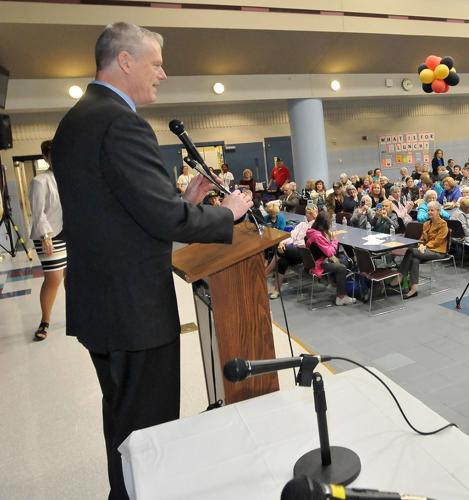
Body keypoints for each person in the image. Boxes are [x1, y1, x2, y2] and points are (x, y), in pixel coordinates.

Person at [51, 22, 252, 500]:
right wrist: (224, 213)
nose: (163, 73)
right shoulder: (121, 122)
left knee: (122, 424)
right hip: (134, 314)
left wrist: (183, 198)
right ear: (125, 61)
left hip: (102, 309)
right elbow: (160, 219)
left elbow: (117, 211)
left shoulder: (77, 120)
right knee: (148, 435)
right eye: (156, 62)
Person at [28, 140, 66, 342]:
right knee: (54, 279)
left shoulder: (70, 178)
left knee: (74, 278)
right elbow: (37, 212)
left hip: (72, 233)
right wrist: (45, 235)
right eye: (53, 155)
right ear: (46, 157)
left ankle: (78, 315)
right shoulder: (40, 181)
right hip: (50, 235)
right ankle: (45, 321)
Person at [390, 201, 449, 299]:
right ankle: (414, 289)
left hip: (438, 251)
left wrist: (425, 246)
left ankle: (400, 276)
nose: (429, 212)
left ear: (438, 211)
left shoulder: (443, 224)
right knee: (414, 259)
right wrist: (421, 245)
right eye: (428, 210)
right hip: (424, 250)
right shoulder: (426, 224)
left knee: (410, 251)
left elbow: (438, 241)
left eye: (432, 210)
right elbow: (421, 239)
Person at [266, 203, 317, 299]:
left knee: (284, 251)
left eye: (310, 212)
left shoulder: (315, 226)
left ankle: (267, 271)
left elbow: (308, 243)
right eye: (307, 212)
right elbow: (292, 236)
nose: (308, 214)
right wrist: (282, 242)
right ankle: (277, 290)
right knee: (282, 261)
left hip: (304, 252)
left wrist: (315, 217)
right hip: (294, 250)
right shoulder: (301, 224)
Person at [305, 212, 356, 306]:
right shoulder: (317, 236)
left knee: (342, 260)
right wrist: (334, 239)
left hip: (314, 261)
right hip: (318, 264)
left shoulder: (312, 231)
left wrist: (329, 236)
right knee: (342, 268)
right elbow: (330, 252)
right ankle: (341, 297)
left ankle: (334, 284)